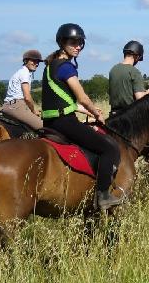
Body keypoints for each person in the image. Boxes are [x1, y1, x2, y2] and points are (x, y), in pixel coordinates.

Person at [42, 23, 124, 210]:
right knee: (109, 148)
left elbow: (63, 100)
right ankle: (103, 195)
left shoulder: (50, 66)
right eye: (74, 42)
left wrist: (86, 111)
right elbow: (82, 97)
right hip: (65, 123)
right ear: (62, 43)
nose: (78, 46)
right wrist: (95, 111)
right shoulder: (67, 68)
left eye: (80, 43)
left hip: (50, 122)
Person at [1, 49, 44, 131]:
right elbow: (27, 97)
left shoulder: (20, 72)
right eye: (33, 61)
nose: (36, 63)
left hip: (8, 105)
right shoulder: (25, 73)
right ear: (25, 61)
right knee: (44, 127)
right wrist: (33, 110)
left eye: (38, 61)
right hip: (17, 106)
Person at [108, 40, 149, 118]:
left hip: (114, 116)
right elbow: (140, 98)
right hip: (129, 117)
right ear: (137, 56)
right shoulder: (134, 71)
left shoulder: (113, 70)